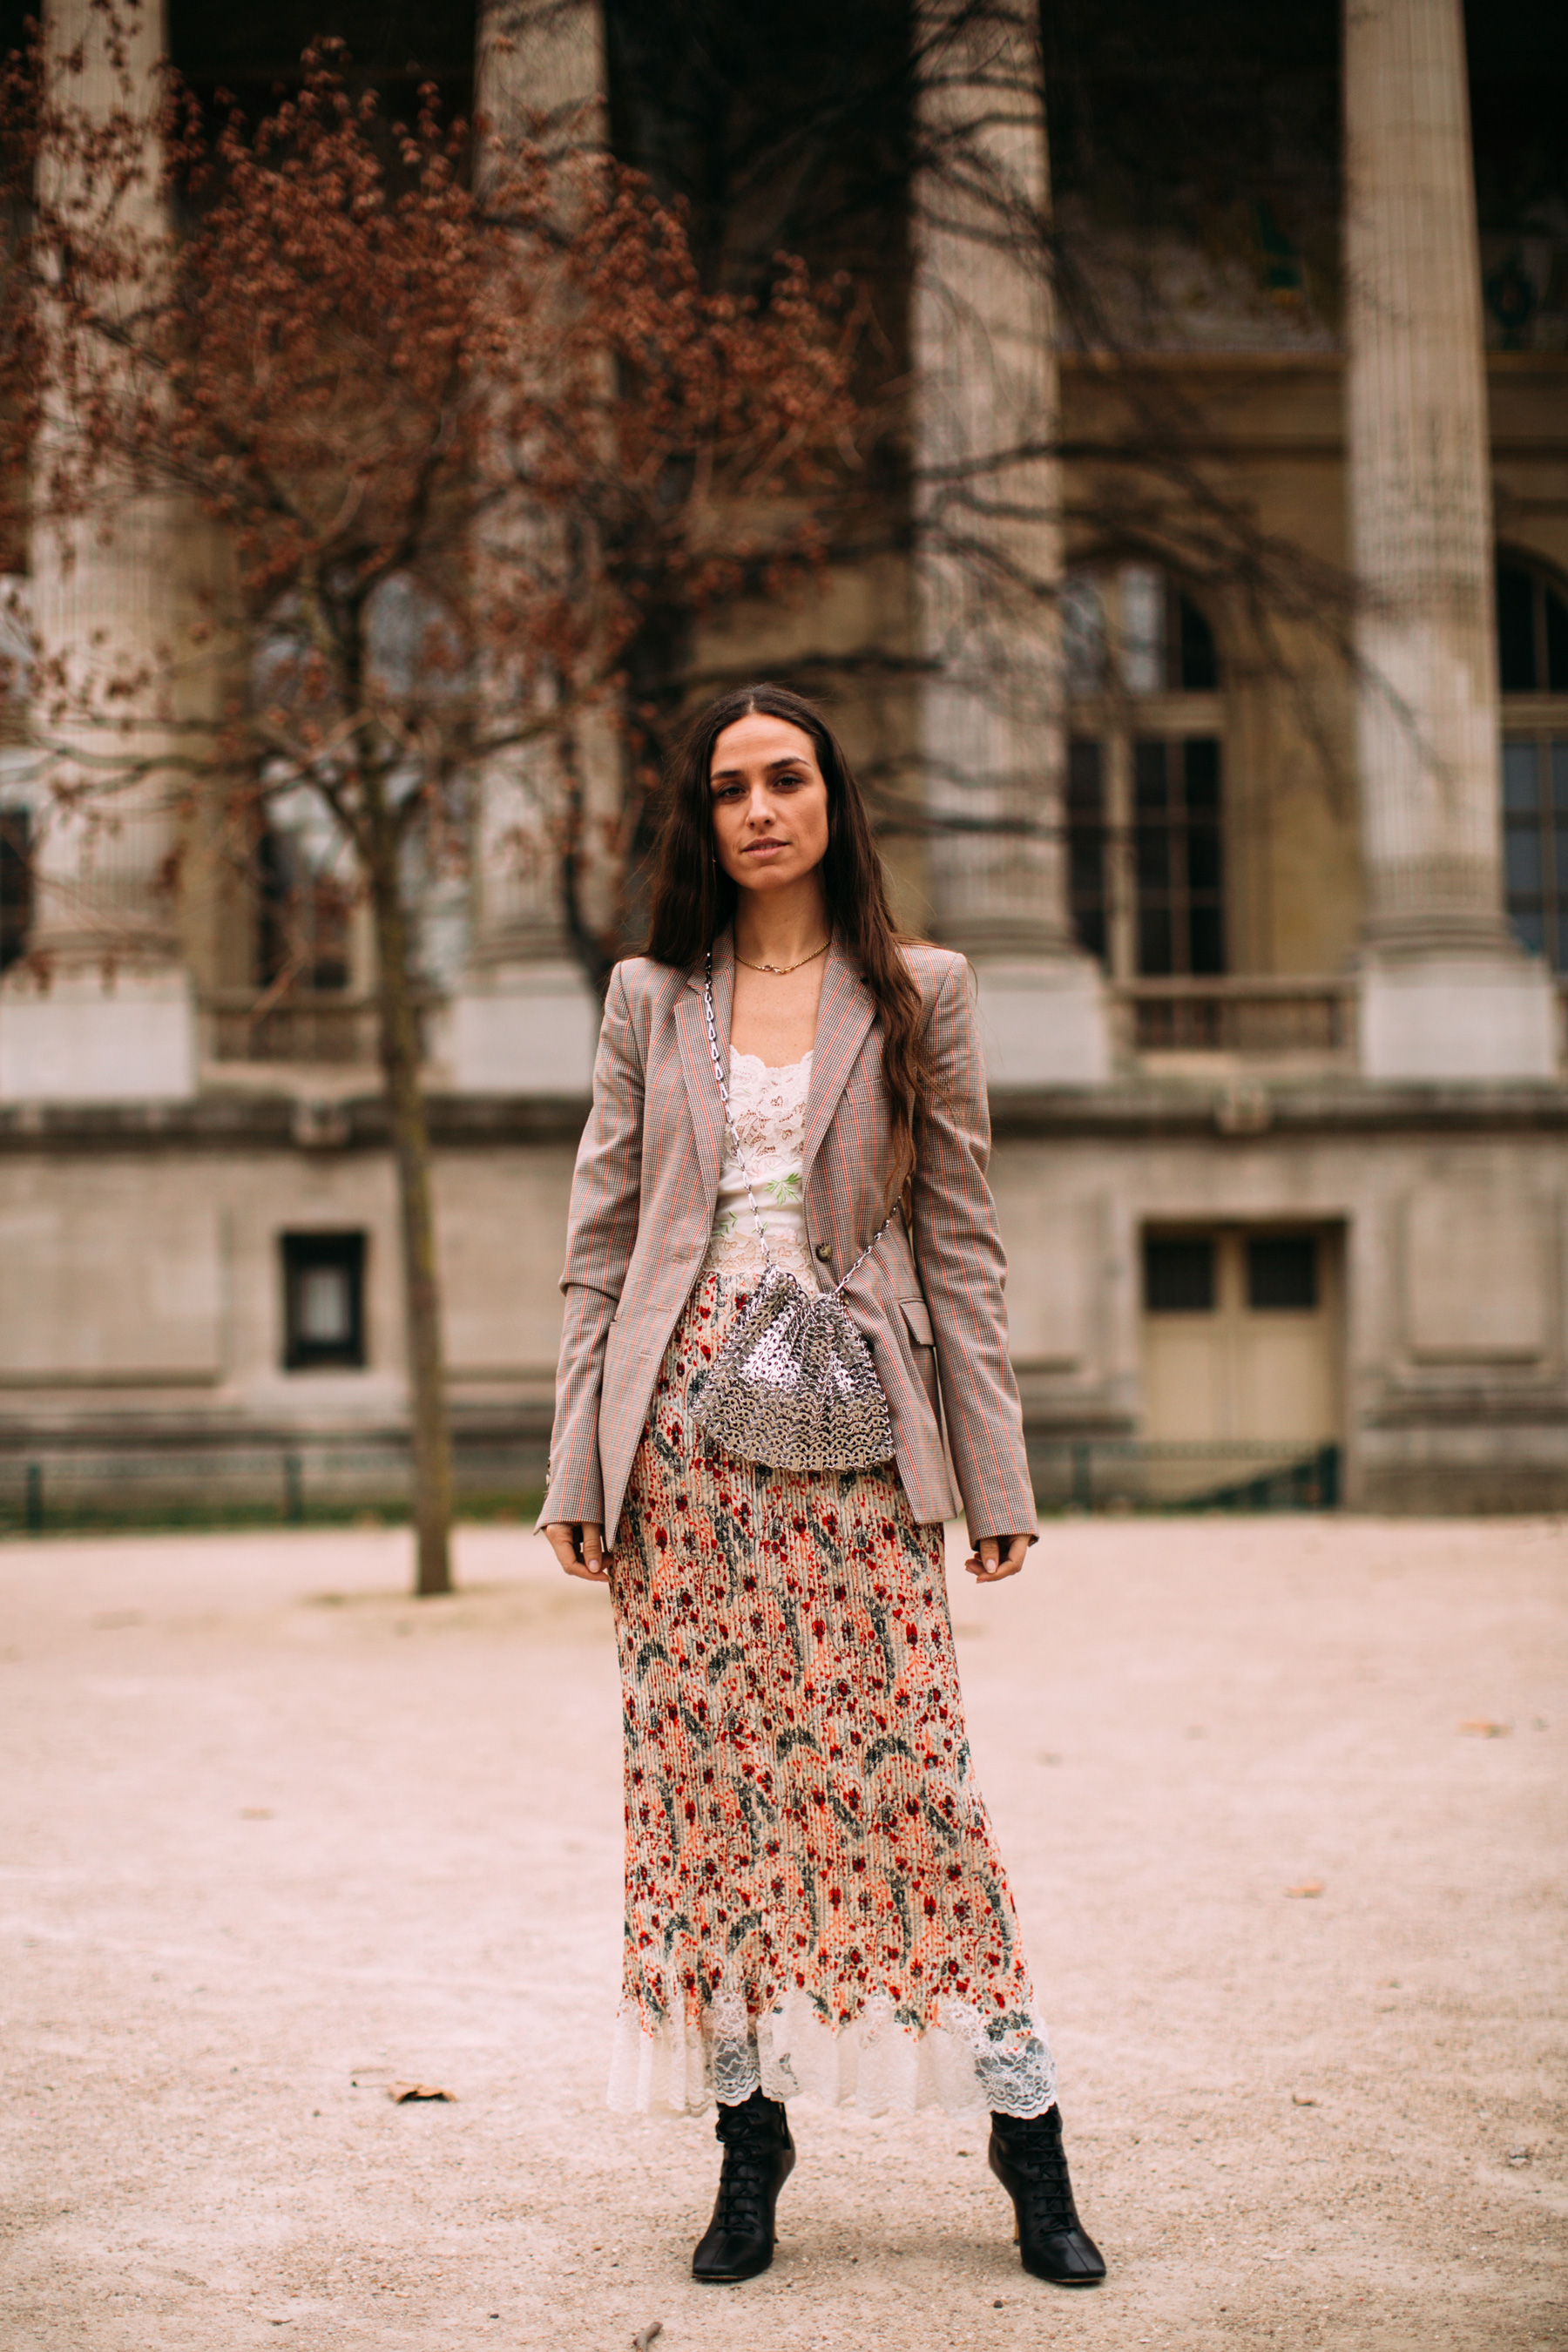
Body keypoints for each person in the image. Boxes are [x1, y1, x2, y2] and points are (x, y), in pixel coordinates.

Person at [541, 683, 1105, 2289]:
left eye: (788, 779)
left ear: (833, 801)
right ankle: (748, 2143)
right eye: (731, 786)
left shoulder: (919, 989)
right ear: (703, 819)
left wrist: (995, 1472)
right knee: (709, 1798)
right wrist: (577, 1461)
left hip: (858, 1421)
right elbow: (597, 1247)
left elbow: (962, 1240)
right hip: (680, 1445)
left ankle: (1027, 2130)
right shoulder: (652, 997)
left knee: (910, 1773)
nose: (760, 808)